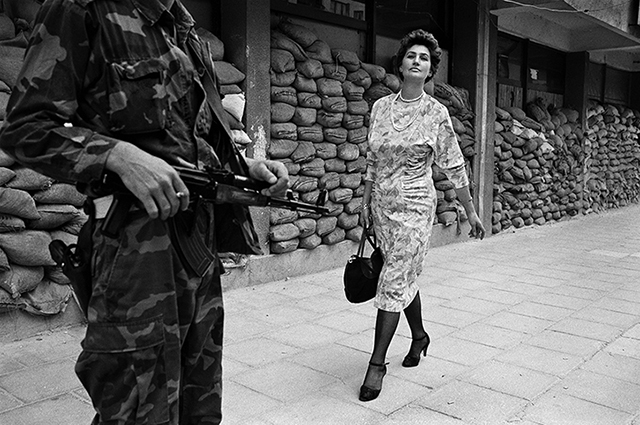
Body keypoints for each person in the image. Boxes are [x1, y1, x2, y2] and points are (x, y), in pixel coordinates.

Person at [0, 0, 288, 424]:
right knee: (139, 410)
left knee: (200, 406)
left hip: (197, 250)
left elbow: (192, 138)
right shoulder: (83, 10)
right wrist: (117, 156)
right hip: (134, 255)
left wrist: (245, 170)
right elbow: (25, 129)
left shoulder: (183, 27)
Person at [358, 29, 485, 402]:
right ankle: (419, 337)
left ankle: (376, 364)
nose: (417, 60)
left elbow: (454, 165)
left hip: (415, 210)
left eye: (425, 58)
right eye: (411, 55)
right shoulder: (381, 108)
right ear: (400, 64)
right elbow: (372, 159)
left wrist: (470, 210)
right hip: (382, 207)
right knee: (399, 275)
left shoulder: (436, 113)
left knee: (393, 280)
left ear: (431, 70)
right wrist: (365, 202)